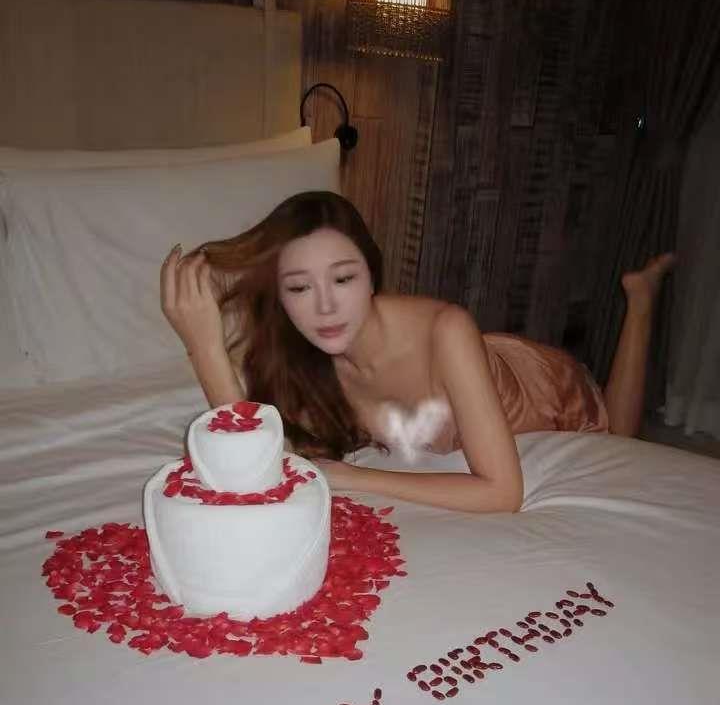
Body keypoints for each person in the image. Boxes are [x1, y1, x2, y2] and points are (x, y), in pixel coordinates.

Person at [160, 191, 674, 515]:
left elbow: (502, 494)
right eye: (299, 287)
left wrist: (353, 477)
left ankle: (641, 300)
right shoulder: (305, 358)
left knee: (619, 437)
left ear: (371, 274)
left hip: (537, 391)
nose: (325, 307)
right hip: (464, 373)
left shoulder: (446, 327)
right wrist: (205, 349)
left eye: (343, 279)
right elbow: (265, 462)